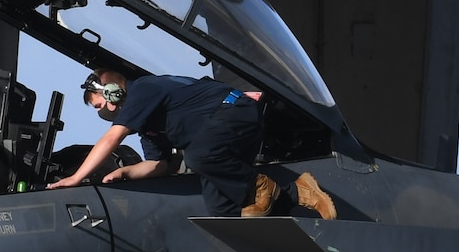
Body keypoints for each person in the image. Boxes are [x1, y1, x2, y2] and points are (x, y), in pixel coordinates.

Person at [47, 68, 335, 219]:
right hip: (220, 136)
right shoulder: (148, 125)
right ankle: (299, 195)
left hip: (235, 110)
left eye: (101, 105)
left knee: (197, 157)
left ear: (112, 93)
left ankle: (264, 186)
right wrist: (124, 173)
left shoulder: (143, 90)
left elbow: (112, 137)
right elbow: (160, 165)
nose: (103, 112)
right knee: (222, 210)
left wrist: (76, 177)